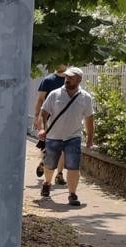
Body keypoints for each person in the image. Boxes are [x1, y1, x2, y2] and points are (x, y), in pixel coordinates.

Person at [38, 67, 95, 206]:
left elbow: (89, 119)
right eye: (66, 77)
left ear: (79, 80)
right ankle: (47, 183)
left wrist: (89, 140)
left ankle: (72, 194)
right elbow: (43, 114)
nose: (67, 79)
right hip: (53, 136)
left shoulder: (85, 97)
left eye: (71, 77)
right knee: (50, 165)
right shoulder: (55, 94)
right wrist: (42, 129)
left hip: (73, 137)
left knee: (73, 167)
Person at [34, 64, 69, 184]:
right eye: (57, 62)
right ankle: (44, 162)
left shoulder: (70, 80)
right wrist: (36, 116)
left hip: (65, 119)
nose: (60, 64)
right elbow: (40, 99)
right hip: (48, 119)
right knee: (50, 145)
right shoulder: (48, 80)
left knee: (62, 147)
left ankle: (59, 174)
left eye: (63, 62)